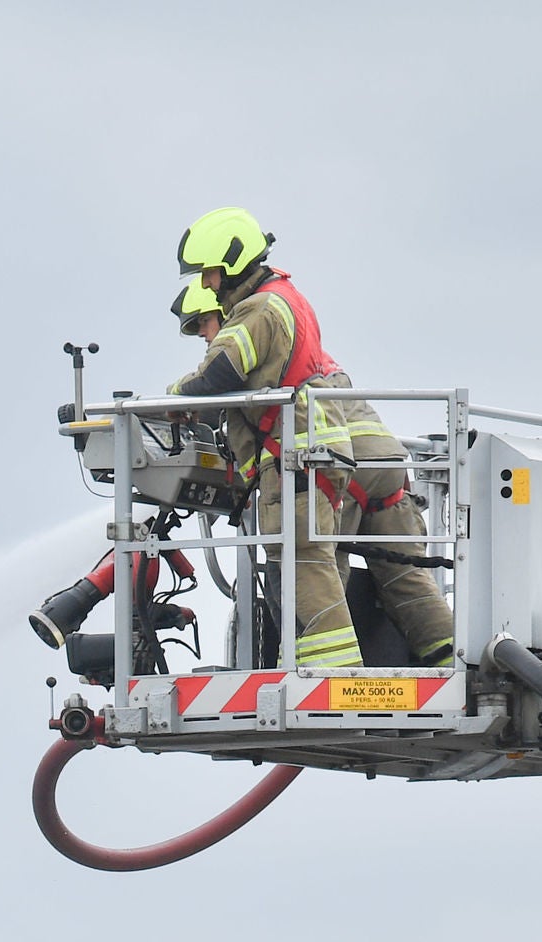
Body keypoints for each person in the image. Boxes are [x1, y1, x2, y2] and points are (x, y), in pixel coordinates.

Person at [172, 206, 453, 671]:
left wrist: (170, 401)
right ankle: (452, 667)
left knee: (305, 563)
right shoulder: (293, 311)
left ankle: (335, 678)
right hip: (368, 465)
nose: (205, 286)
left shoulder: (258, 310)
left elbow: (216, 377)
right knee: (405, 579)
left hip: (306, 461)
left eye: (208, 274)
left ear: (233, 263)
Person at [27, 282, 223, 658]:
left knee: (139, 541)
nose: (201, 332)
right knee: (141, 538)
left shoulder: (234, 356)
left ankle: (84, 606)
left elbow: (205, 394)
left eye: (204, 322)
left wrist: (168, 406)